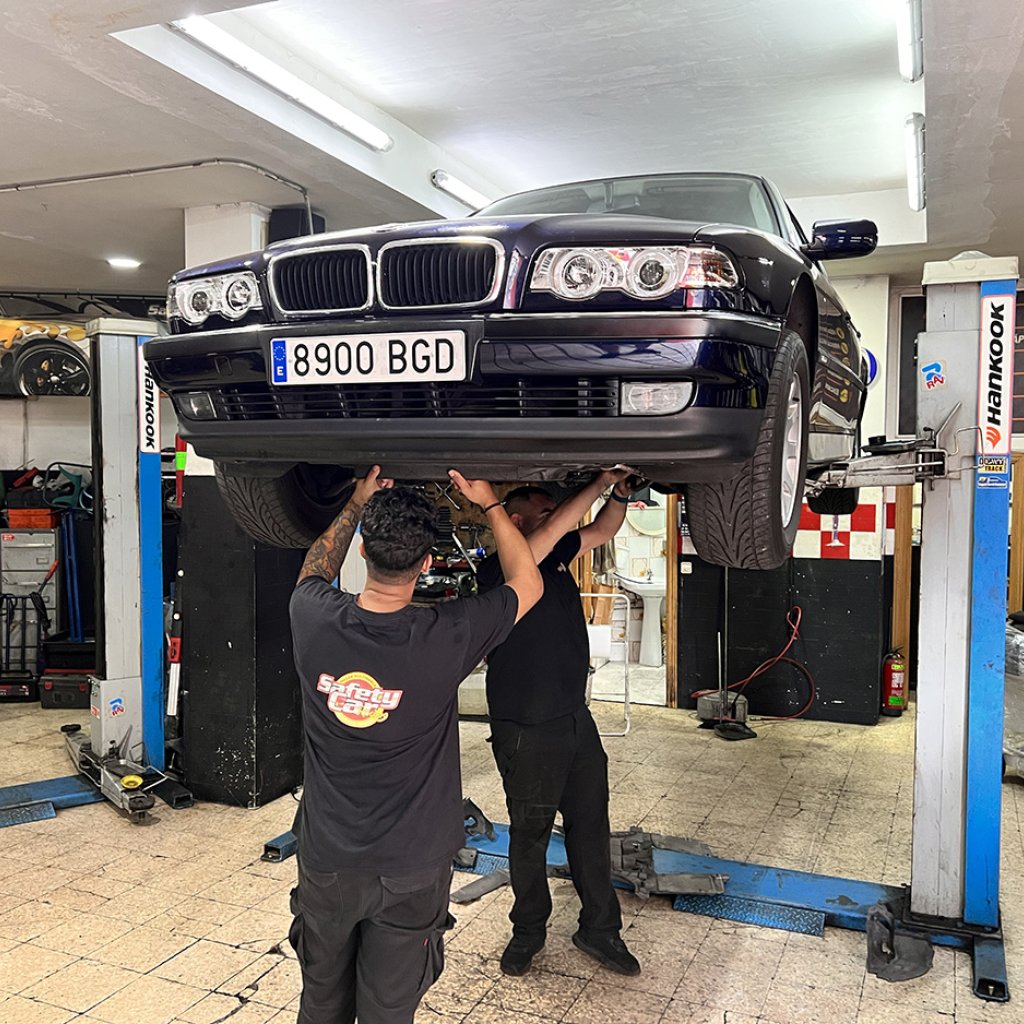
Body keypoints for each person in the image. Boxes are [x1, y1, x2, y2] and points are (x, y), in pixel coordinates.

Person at [287, 466, 542, 1024]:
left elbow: (316, 565)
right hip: (412, 868)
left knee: (321, 1002)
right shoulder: (446, 635)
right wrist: (492, 504)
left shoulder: (311, 616)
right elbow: (528, 583)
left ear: (364, 554)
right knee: (388, 1010)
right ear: (426, 565)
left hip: (328, 860)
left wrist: (356, 501)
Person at [476, 468, 642, 977]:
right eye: (547, 514)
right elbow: (560, 529)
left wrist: (618, 494)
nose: (559, 521)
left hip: (574, 720)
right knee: (530, 834)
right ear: (517, 520)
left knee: (590, 826)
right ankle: (528, 931)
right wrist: (592, 485)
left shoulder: (557, 557)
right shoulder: (498, 570)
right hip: (525, 729)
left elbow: (603, 530)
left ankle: (599, 929)